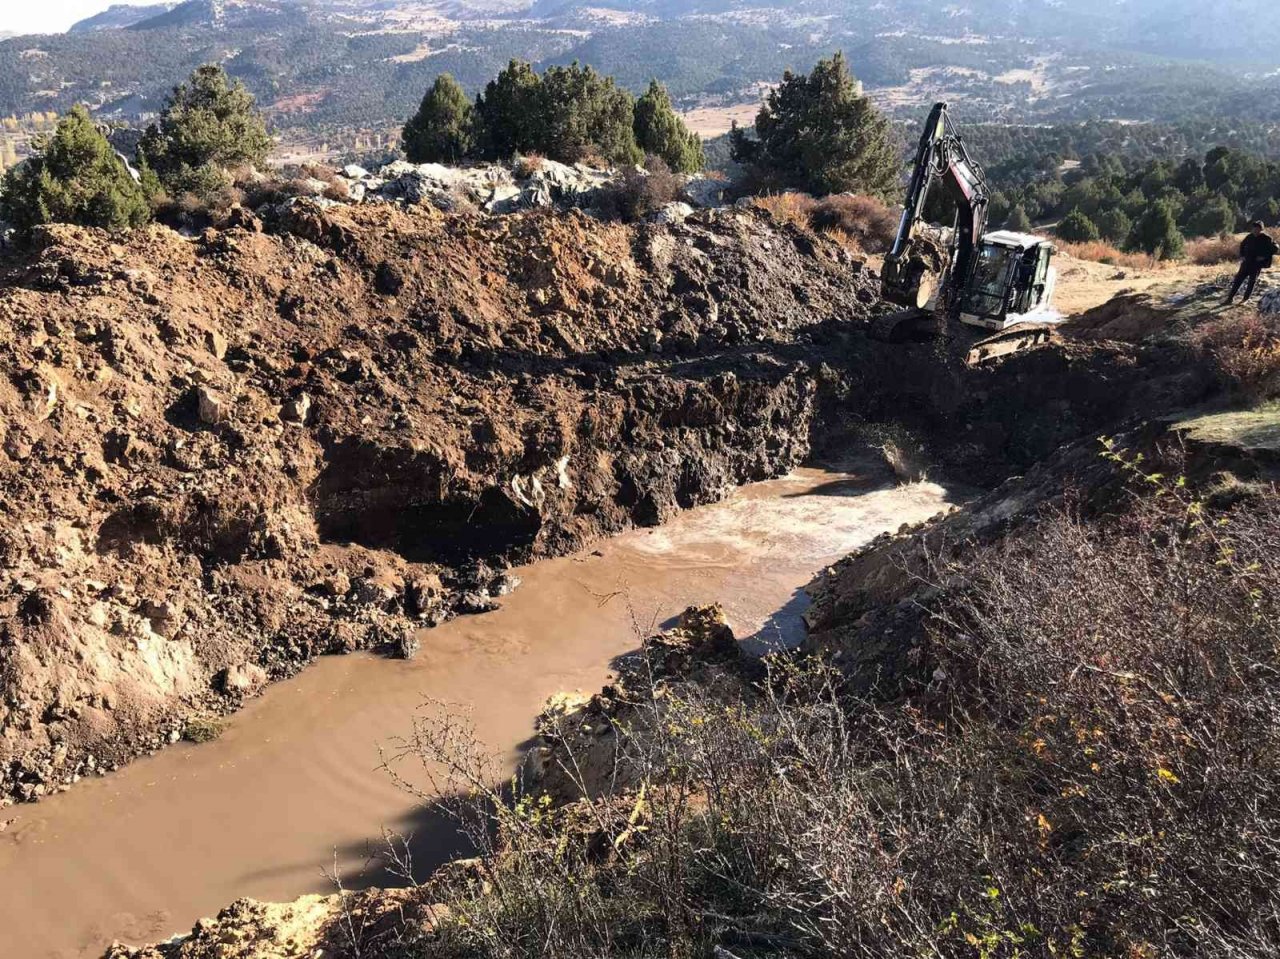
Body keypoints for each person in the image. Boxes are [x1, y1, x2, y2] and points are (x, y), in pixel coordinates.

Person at [1225, 221, 1279, 304]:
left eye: (1257, 229)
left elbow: (1275, 248)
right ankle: (1230, 299)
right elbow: (1242, 245)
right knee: (1238, 280)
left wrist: (1264, 256)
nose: (1255, 230)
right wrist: (1242, 255)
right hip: (1246, 263)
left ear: (1261, 229)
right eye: (1254, 228)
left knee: (1251, 282)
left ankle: (1245, 299)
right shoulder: (1249, 237)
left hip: (1256, 264)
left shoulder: (1266, 238)